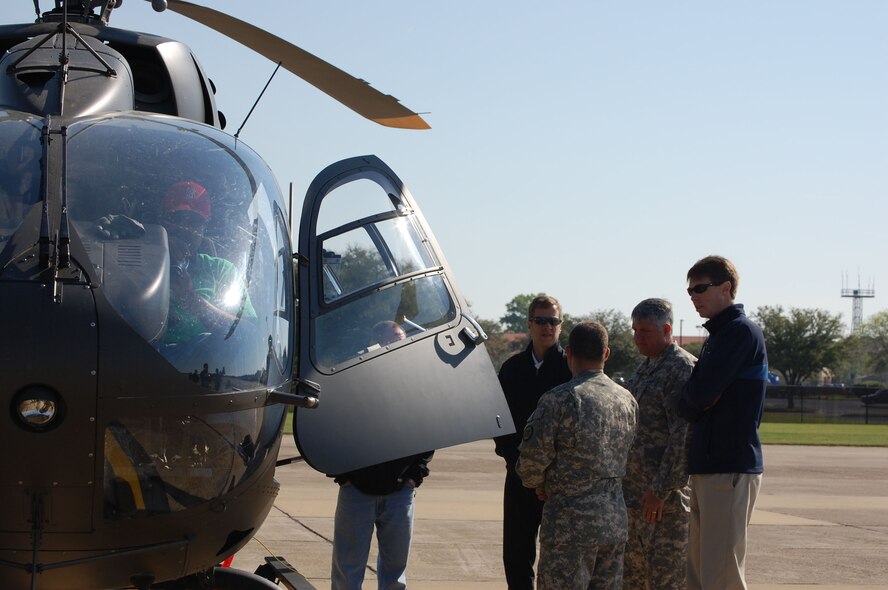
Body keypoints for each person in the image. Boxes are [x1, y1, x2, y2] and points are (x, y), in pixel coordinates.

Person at [516, 322, 638, 590]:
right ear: (606, 354)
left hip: (569, 525)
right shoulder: (627, 400)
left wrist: (540, 483)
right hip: (614, 521)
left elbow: (531, 461)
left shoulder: (559, 399)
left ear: (569, 353)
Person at [676, 255, 768, 590]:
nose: (693, 295)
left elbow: (697, 396)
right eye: (689, 290)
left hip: (730, 465)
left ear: (726, 288)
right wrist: (695, 399)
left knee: (721, 575)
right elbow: (695, 399)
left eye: (700, 287)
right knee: (699, 572)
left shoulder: (739, 333)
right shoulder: (719, 336)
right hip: (708, 464)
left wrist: (695, 399)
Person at [330, 320, 434, 590]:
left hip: (400, 494)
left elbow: (428, 431)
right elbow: (335, 428)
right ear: (374, 345)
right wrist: (345, 477)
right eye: (390, 340)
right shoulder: (354, 382)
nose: (397, 344)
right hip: (356, 493)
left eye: (400, 339)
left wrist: (413, 477)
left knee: (395, 576)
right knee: (347, 573)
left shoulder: (416, 386)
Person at [493, 295, 572, 590]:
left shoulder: (569, 369)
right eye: (540, 320)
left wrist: (548, 476)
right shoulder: (512, 369)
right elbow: (500, 424)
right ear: (529, 324)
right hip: (519, 477)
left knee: (557, 558)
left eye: (553, 321)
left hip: (557, 485)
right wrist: (521, 469)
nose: (546, 327)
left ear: (560, 326)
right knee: (516, 554)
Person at [622, 298, 696, 590]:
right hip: (634, 498)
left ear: (667, 329)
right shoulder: (643, 370)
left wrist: (660, 490)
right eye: (635, 330)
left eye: (645, 331)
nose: (637, 337)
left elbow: (683, 437)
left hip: (665, 503)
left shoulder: (682, 369)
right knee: (633, 580)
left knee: (666, 580)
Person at [159, 181, 255, 344]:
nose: (184, 227)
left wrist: (190, 299)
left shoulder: (221, 270)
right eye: (177, 218)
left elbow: (247, 334)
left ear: (204, 227)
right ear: (163, 223)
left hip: (206, 367)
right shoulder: (143, 263)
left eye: (194, 221)